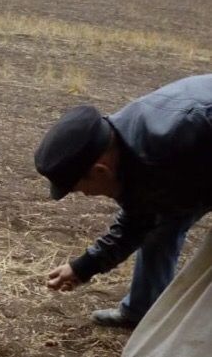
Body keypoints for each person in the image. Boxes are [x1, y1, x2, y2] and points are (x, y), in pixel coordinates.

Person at [33, 75, 212, 325]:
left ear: (100, 171)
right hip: (193, 171)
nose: (86, 195)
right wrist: (82, 267)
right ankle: (141, 312)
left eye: (80, 189)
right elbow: (139, 219)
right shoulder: (125, 147)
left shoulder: (187, 135)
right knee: (161, 225)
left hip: (202, 147)